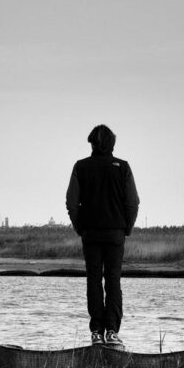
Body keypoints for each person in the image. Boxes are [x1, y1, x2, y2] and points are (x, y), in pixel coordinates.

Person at [66, 124, 140, 348]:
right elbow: (133, 202)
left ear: (91, 143)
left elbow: (71, 202)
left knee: (94, 281)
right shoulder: (123, 167)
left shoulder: (81, 167)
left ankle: (97, 331)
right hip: (115, 233)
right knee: (113, 281)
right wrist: (126, 227)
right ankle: (112, 332)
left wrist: (80, 227)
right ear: (112, 144)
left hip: (90, 233)